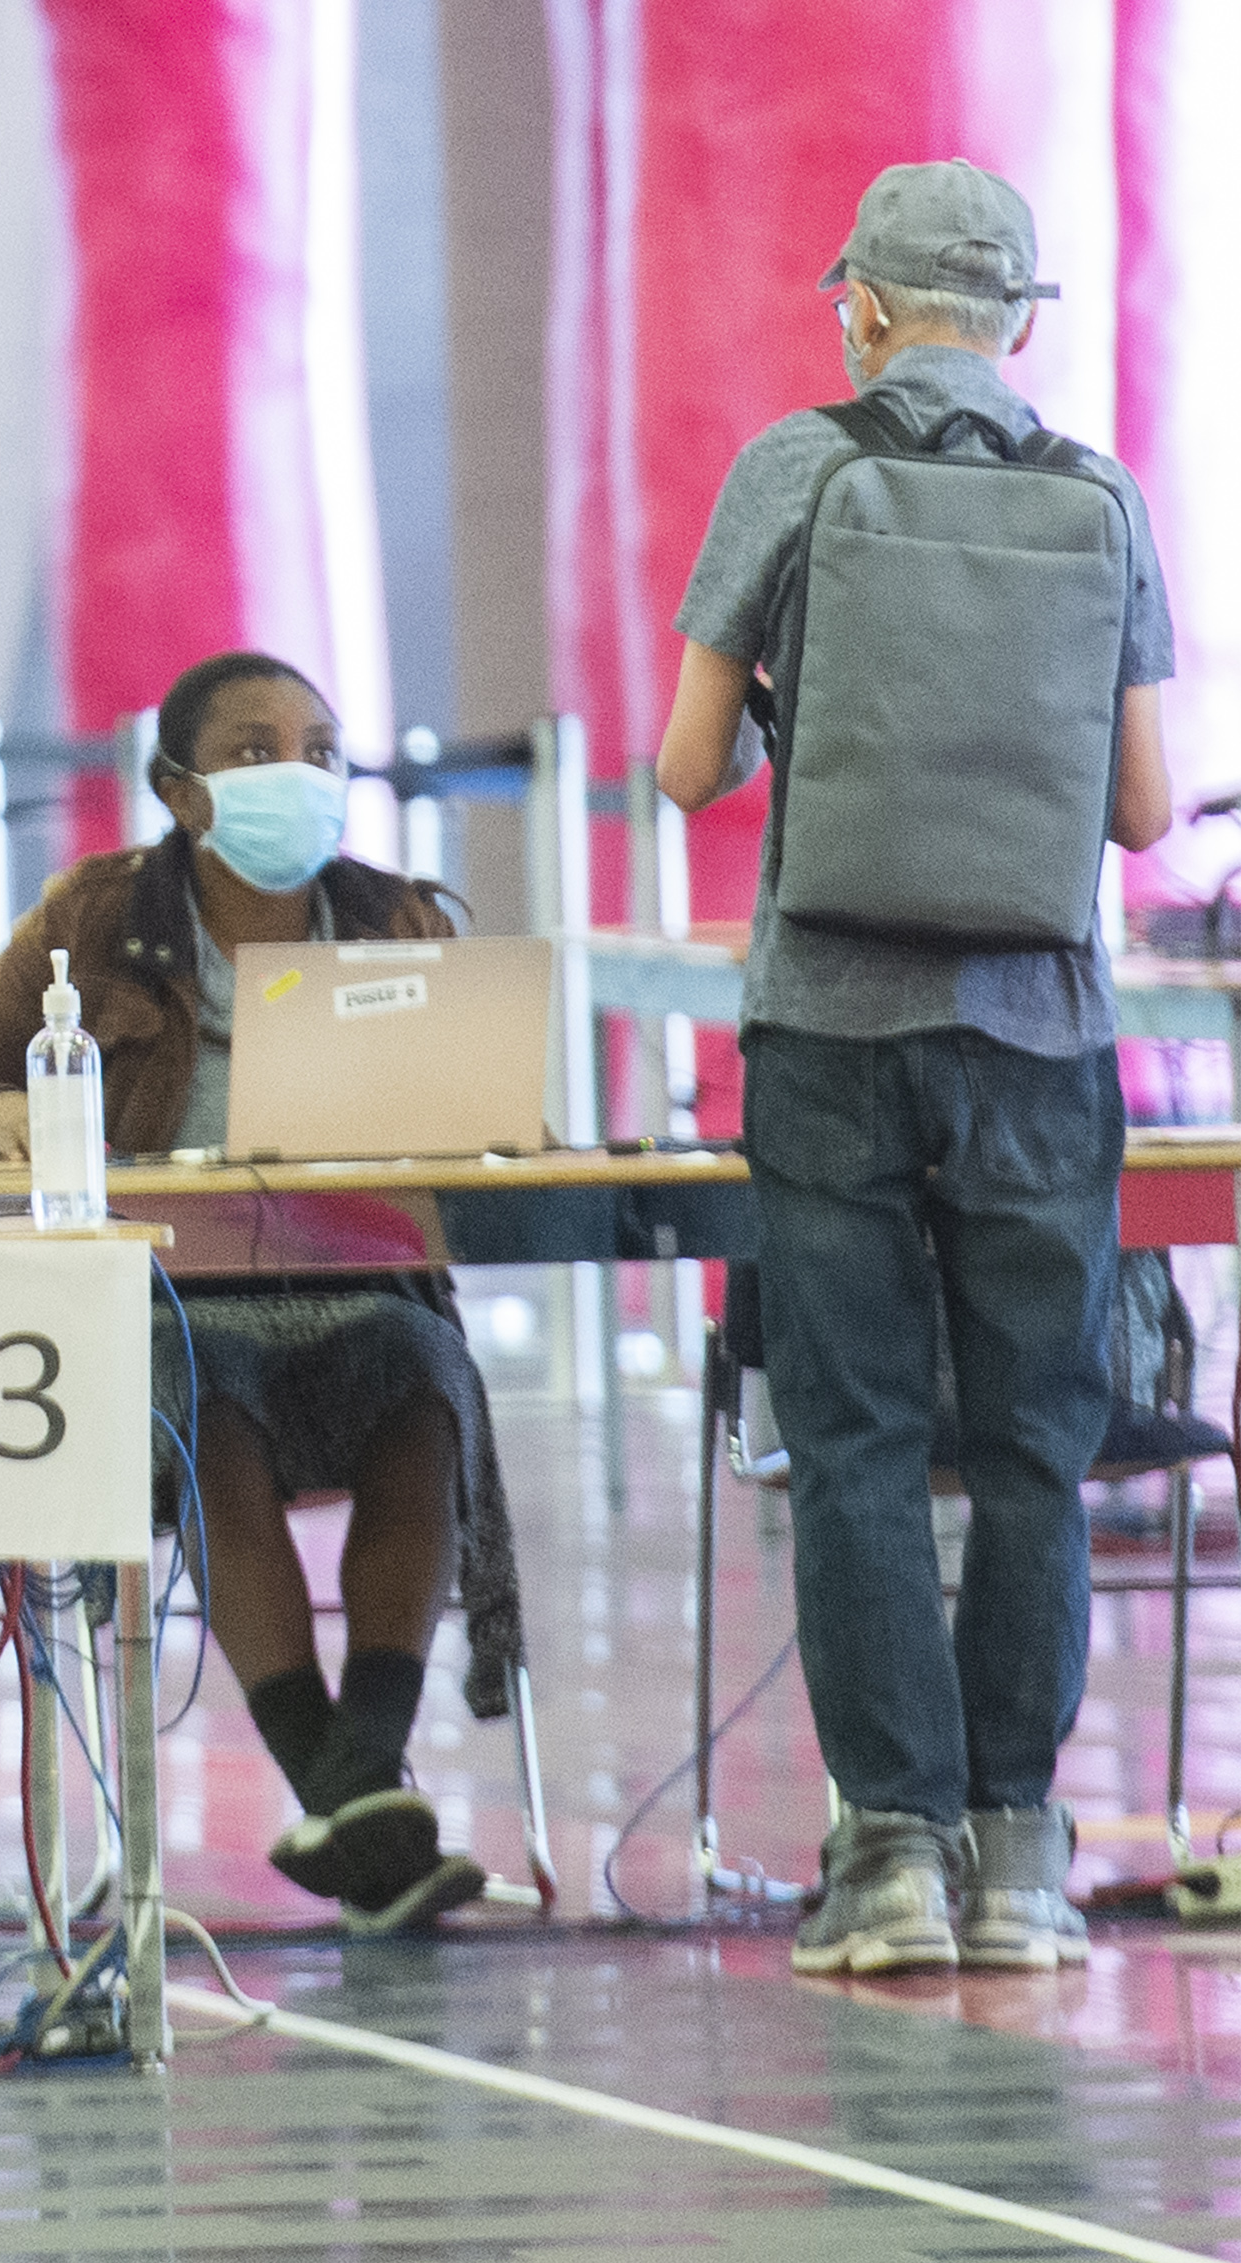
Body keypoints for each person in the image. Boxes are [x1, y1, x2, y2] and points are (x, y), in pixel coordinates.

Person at [654, 161, 1174, 1975]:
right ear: (1019, 320)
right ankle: (1019, 1858)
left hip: (834, 1027)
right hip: (1039, 1040)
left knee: (860, 1439)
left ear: (863, 306)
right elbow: (1143, 809)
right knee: (1035, 1450)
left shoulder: (796, 468)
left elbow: (686, 765)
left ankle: (888, 1858)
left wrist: (789, 716)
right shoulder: (1100, 493)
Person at [0, 651, 519, 1930]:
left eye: (321, 750)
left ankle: (357, 1781)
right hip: (170, 1309)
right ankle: (358, 1795)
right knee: (203, 1393)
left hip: (363, 1296)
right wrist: (2, 1115)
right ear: (178, 790)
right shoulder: (92, 920)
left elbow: (487, 1142)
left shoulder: (398, 922)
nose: (298, 774)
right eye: (254, 751)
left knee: (430, 1379)